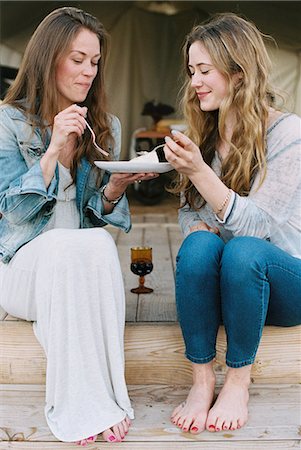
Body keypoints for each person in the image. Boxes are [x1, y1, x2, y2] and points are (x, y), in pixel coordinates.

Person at [0, 7, 158, 445]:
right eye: (77, 59)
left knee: (96, 245)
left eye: (94, 61)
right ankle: (82, 405)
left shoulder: (105, 126)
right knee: (67, 247)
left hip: (77, 272)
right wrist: (52, 150)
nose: (89, 71)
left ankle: (106, 394)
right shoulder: (8, 121)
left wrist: (116, 188)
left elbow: (96, 218)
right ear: (49, 57)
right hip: (21, 271)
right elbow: (10, 214)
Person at [163, 12, 301, 435]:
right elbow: (191, 211)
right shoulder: (205, 132)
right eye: (191, 71)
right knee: (199, 246)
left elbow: (261, 226)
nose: (195, 82)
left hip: (284, 284)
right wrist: (195, 229)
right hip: (232, 287)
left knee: (243, 250)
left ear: (239, 72)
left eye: (205, 70)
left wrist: (202, 173)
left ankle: (238, 380)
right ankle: (202, 380)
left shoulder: (287, 133)